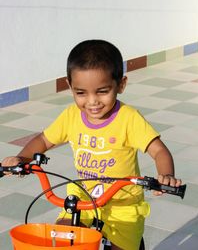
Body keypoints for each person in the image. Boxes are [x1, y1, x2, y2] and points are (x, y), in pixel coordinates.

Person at [2, 39, 182, 250]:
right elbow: (43, 140)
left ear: (121, 85)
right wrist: (21, 159)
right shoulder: (71, 116)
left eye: (102, 91)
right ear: (70, 87)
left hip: (121, 205)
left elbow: (158, 150)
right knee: (63, 238)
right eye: (81, 93)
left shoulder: (128, 118)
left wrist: (166, 175)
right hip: (83, 197)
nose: (92, 101)